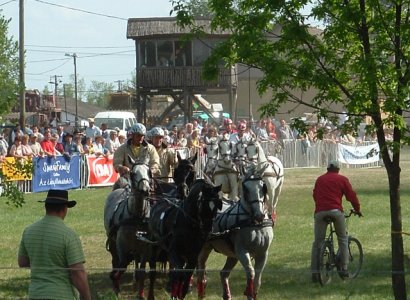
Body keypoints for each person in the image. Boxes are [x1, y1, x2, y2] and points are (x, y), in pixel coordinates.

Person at [17, 189, 91, 300]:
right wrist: (86, 297)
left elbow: (22, 262)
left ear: (46, 207)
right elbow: (78, 274)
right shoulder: (68, 235)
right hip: (61, 295)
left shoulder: (28, 231)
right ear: (64, 209)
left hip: (35, 294)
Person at [311, 160, 362, 282]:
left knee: (317, 242)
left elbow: (315, 195)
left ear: (327, 169)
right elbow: (351, 196)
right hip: (336, 211)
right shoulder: (342, 179)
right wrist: (357, 209)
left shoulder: (319, 179)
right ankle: (344, 268)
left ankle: (314, 271)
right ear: (338, 169)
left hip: (320, 212)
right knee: (343, 239)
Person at [113, 123, 160, 190]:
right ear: (132, 135)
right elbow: (116, 163)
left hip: (146, 178)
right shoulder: (122, 148)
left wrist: (151, 170)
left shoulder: (150, 148)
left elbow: (155, 162)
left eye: (142, 136)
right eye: (138, 136)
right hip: (127, 179)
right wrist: (121, 168)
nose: (140, 138)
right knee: (118, 188)